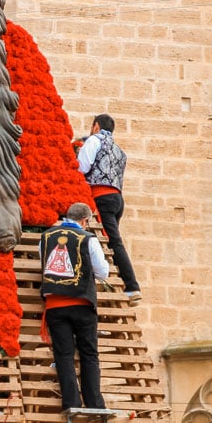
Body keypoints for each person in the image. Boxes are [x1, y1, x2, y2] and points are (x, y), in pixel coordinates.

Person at [39, 202, 110, 411]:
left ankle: (71, 402)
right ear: (85, 221)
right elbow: (102, 272)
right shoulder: (88, 238)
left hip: (54, 305)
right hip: (81, 303)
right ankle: (94, 402)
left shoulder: (46, 237)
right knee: (89, 353)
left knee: (64, 355)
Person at [76, 113, 141, 305]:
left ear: (96, 126)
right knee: (111, 243)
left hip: (102, 197)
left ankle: (131, 286)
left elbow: (82, 167)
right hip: (117, 199)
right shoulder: (119, 150)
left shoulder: (94, 140)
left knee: (113, 241)